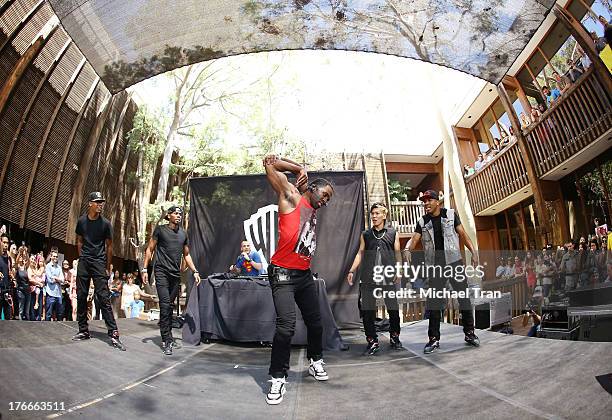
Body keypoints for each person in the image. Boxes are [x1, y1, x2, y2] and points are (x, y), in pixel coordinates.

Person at [262, 154, 333, 405]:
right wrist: (297, 167)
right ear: (311, 189)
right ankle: (278, 377)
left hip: (303, 275)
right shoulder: (291, 196)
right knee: (286, 327)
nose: (325, 201)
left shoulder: (312, 208)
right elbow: (269, 163)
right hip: (282, 273)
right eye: (324, 195)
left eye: (328, 199)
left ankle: (315, 360)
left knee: (315, 322)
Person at [405, 190, 480, 354]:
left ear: (437, 201)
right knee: (434, 304)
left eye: (428, 201)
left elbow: (463, 234)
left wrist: (473, 252)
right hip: (435, 267)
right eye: (424, 201)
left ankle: (469, 333)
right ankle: (433, 339)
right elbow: (415, 238)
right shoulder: (422, 221)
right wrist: (408, 249)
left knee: (464, 299)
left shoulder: (451, 215)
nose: (426, 204)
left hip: (454, 263)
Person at [142, 205, 201, 355]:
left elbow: (186, 255)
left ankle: (166, 330)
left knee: (169, 306)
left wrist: (194, 271)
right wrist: (144, 269)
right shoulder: (160, 230)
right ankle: (167, 339)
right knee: (165, 304)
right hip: (161, 271)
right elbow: (150, 248)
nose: (178, 215)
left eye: (180, 213)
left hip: (175, 275)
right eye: (175, 213)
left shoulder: (183, 234)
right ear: (168, 216)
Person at [347, 202, 402, 355]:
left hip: (388, 275)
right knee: (368, 311)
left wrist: (399, 269)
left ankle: (395, 337)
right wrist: (351, 270)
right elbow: (360, 253)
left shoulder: (392, 233)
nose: (374, 216)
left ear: (384, 215)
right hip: (368, 277)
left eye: (377, 213)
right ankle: (372, 341)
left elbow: (397, 254)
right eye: (372, 213)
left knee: (393, 309)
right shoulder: (366, 234)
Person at [72, 191, 125, 351]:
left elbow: (109, 246)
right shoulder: (81, 221)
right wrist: (82, 258)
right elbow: (79, 241)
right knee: (81, 295)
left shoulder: (106, 224)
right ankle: (83, 330)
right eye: (97, 202)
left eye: (101, 202)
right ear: (90, 204)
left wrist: (107, 267)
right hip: (85, 262)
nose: (100, 204)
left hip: (99, 262)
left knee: (103, 297)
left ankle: (113, 333)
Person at [44, 251, 64, 321]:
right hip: (51, 293)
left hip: (58, 294)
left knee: (59, 314)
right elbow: (50, 280)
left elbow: (62, 280)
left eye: (56, 256)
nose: (55, 258)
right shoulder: (48, 266)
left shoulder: (59, 267)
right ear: (51, 257)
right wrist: (58, 280)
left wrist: (55, 278)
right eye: (54, 256)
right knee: (49, 313)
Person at [14, 253, 30, 320]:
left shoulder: (26, 267)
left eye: (22, 257)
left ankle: (28, 324)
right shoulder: (17, 268)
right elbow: (16, 262)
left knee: (27, 310)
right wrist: (20, 253)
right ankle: (20, 322)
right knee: (21, 309)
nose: (21, 258)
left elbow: (28, 261)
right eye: (20, 257)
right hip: (20, 290)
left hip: (27, 290)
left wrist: (25, 253)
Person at [0, 234, 12, 320]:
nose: (6, 245)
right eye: (4, 242)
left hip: (7, 290)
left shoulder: (9, 258)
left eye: (7, 243)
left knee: (8, 318)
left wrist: (11, 276)